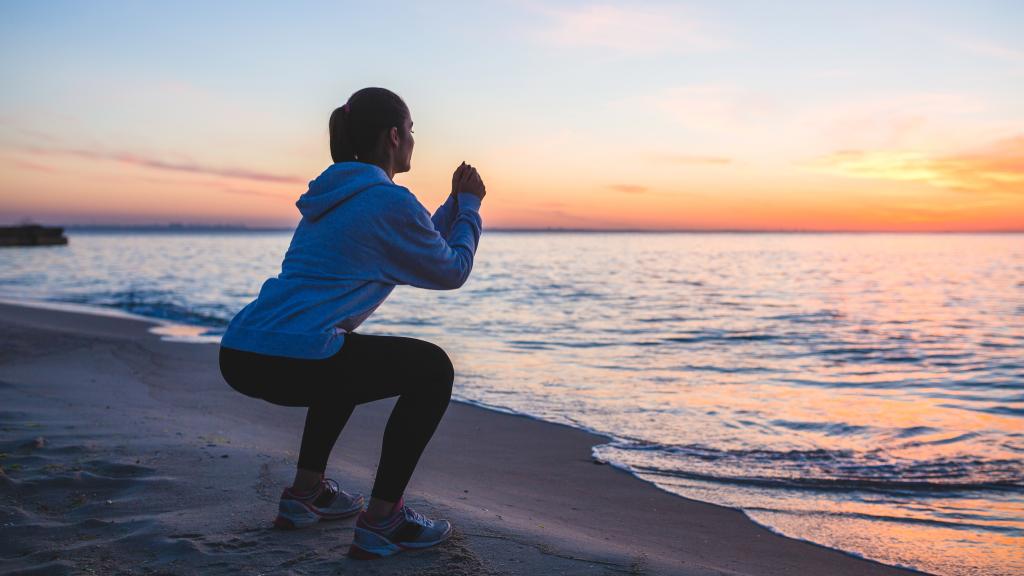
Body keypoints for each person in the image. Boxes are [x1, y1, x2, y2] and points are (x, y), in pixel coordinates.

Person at [217, 87, 486, 559]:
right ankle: (385, 519)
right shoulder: (386, 202)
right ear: (394, 136)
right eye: (413, 133)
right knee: (433, 368)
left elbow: (418, 235)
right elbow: (451, 269)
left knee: (340, 349)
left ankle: (306, 495)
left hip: (241, 351)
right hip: (291, 358)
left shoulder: (337, 197)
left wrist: (452, 204)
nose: (414, 143)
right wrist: (469, 209)